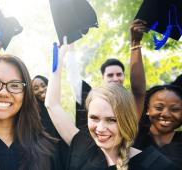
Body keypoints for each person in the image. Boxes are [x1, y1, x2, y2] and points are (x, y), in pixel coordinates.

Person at [45, 40, 177, 169]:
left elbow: (138, 91)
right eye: (94, 118)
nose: (100, 128)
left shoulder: (155, 165)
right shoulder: (82, 146)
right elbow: (52, 104)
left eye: (112, 120)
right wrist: (60, 55)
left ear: (128, 120)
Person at [70, 19, 146, 128]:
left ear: (124, 76)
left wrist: (135, 43)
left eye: (119, 74)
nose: (115, 78)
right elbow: (74, 80)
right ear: (103, 77)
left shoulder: (130, 103)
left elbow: (138, 92)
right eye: (110, 75)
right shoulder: (91, 98)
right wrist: (69, 48)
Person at [134, 84, 182, 169]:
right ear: (148, 109)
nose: (166, 114)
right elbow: (138, 91)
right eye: (159, 108)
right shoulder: (135, 138)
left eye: (175, 109)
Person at [31, 75, 68, 170]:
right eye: (36, 88)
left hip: (65, 152)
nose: (41, 89)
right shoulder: (33, 115)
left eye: (43, 85)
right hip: (48, 157)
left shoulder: (57, 107)